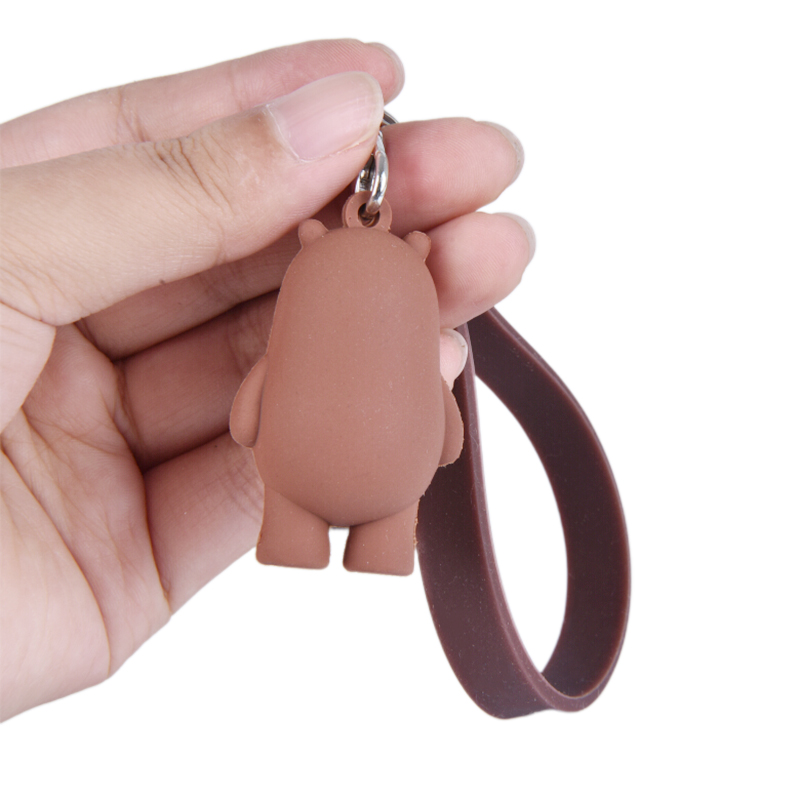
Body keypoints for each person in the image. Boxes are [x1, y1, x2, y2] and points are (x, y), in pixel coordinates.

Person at [0, 39, 534, 720]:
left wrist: (253, 418)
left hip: (295, 464)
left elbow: (254, 400)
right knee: (391, 494)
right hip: (397, 476)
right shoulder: (400, 280)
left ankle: (295, 531)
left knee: (295, 495)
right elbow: (446, 431)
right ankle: (383, 541)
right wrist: (442, 434)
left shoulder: (310, 291)